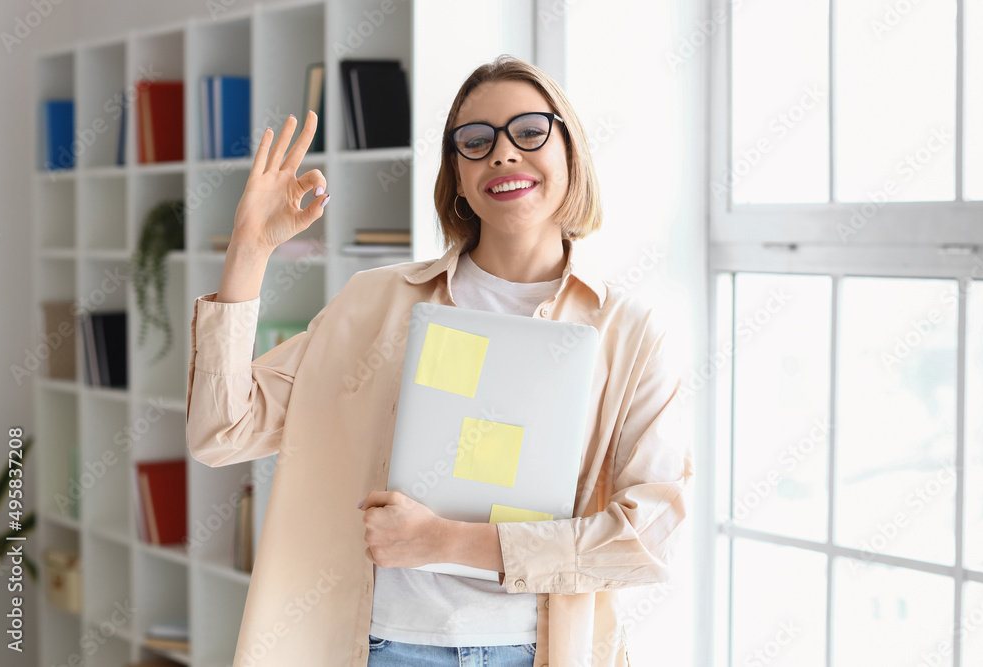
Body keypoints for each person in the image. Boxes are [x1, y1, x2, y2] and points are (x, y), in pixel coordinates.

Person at [185, 54, 693, 667]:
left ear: (571, 151)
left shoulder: (629, 333)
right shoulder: (375, 303)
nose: (502, 154)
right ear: (455, 174)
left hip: (535, 649)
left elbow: (644, 541)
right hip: (383, 646)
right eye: (474, 142)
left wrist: (446, 541)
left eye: (529, 131)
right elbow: (221, 431)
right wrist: (249, 249)